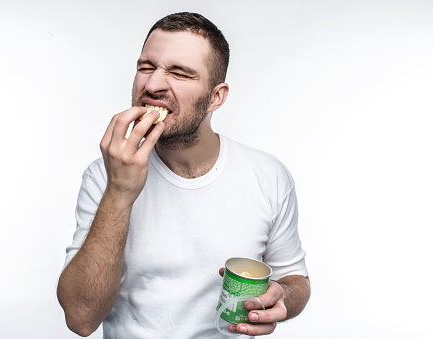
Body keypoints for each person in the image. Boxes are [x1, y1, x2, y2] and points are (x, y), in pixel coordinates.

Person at [57, 12, 310, 338]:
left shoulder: (268, 176)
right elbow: (81, 318)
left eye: (180, 73)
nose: (152, 85)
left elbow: (294, 278)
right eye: (146, 67)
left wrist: (282, 297)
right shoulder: (103, 176)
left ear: (216, 98)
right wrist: (119, 191)